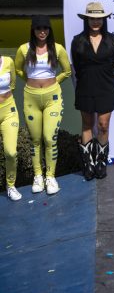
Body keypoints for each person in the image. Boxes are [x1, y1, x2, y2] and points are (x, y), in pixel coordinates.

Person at [15, 15, 71, 196]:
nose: (42, 32)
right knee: (35, 139)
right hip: (31, 98)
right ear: (33, 30)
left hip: (52, 98)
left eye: (45, 28)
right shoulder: (23, 49)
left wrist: (53, 82)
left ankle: (50, 176)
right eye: (38, 28)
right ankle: (38, 176)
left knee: (49, 138)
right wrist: (29, 80)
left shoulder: (58, 48)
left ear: (49, 30)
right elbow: (17, 69)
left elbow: (67, 71)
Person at [70, 2, 114, 181]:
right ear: (86, 20)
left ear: (103, 20)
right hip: (85, 86)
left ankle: (101, 162)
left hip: (106, 87)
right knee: (87, 124)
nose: (96, 22)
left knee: (103, 125)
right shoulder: (77, 40)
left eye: (99, 19)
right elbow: (77, 67)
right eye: (92, 18)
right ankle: (88, 164)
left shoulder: (111, 39)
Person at [0, 55, 21, 201]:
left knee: (11, 152)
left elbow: (13, 83)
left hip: (9, 111)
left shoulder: (8, 61)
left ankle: (10, 185)